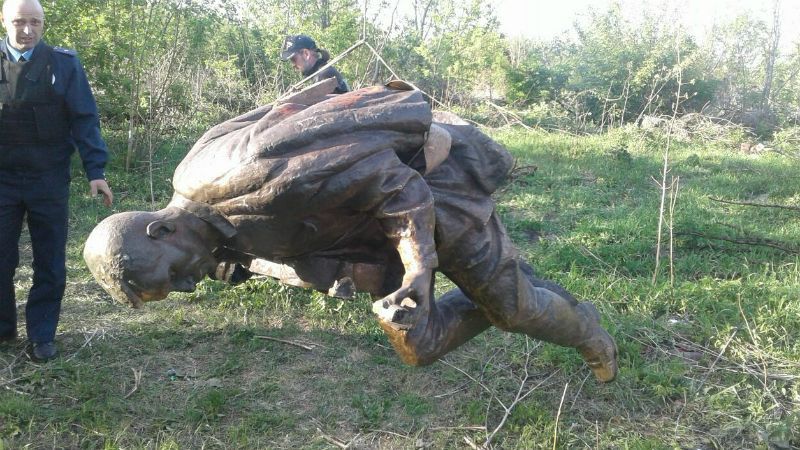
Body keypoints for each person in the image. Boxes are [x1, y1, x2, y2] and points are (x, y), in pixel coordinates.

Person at [83, 82, 617, 382]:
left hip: (435, 196)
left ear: (160, 229)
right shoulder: (206, 228)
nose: (189, 285)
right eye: (177, 291)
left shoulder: (250, 179)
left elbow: (397, 187)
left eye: (174, 275)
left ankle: (588, 332)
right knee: (420, 346)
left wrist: (420, 266)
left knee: (513, 310)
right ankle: (512, 285)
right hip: (376, 236)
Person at [0, 0, 113, 361]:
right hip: (1, 180)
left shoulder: (63, 64)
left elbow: (84, 118)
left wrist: (96, 171)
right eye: (19, 22)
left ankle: (42, 335)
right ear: (5, 22)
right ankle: (3, 329)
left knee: (49, 261)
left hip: (47, 178)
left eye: (35, 22)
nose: (28, 30)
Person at [281, 34, 349, 94]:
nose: (293, 65)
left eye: (293, 59)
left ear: (306, 54)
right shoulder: (322, 72)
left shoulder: (324, 75)